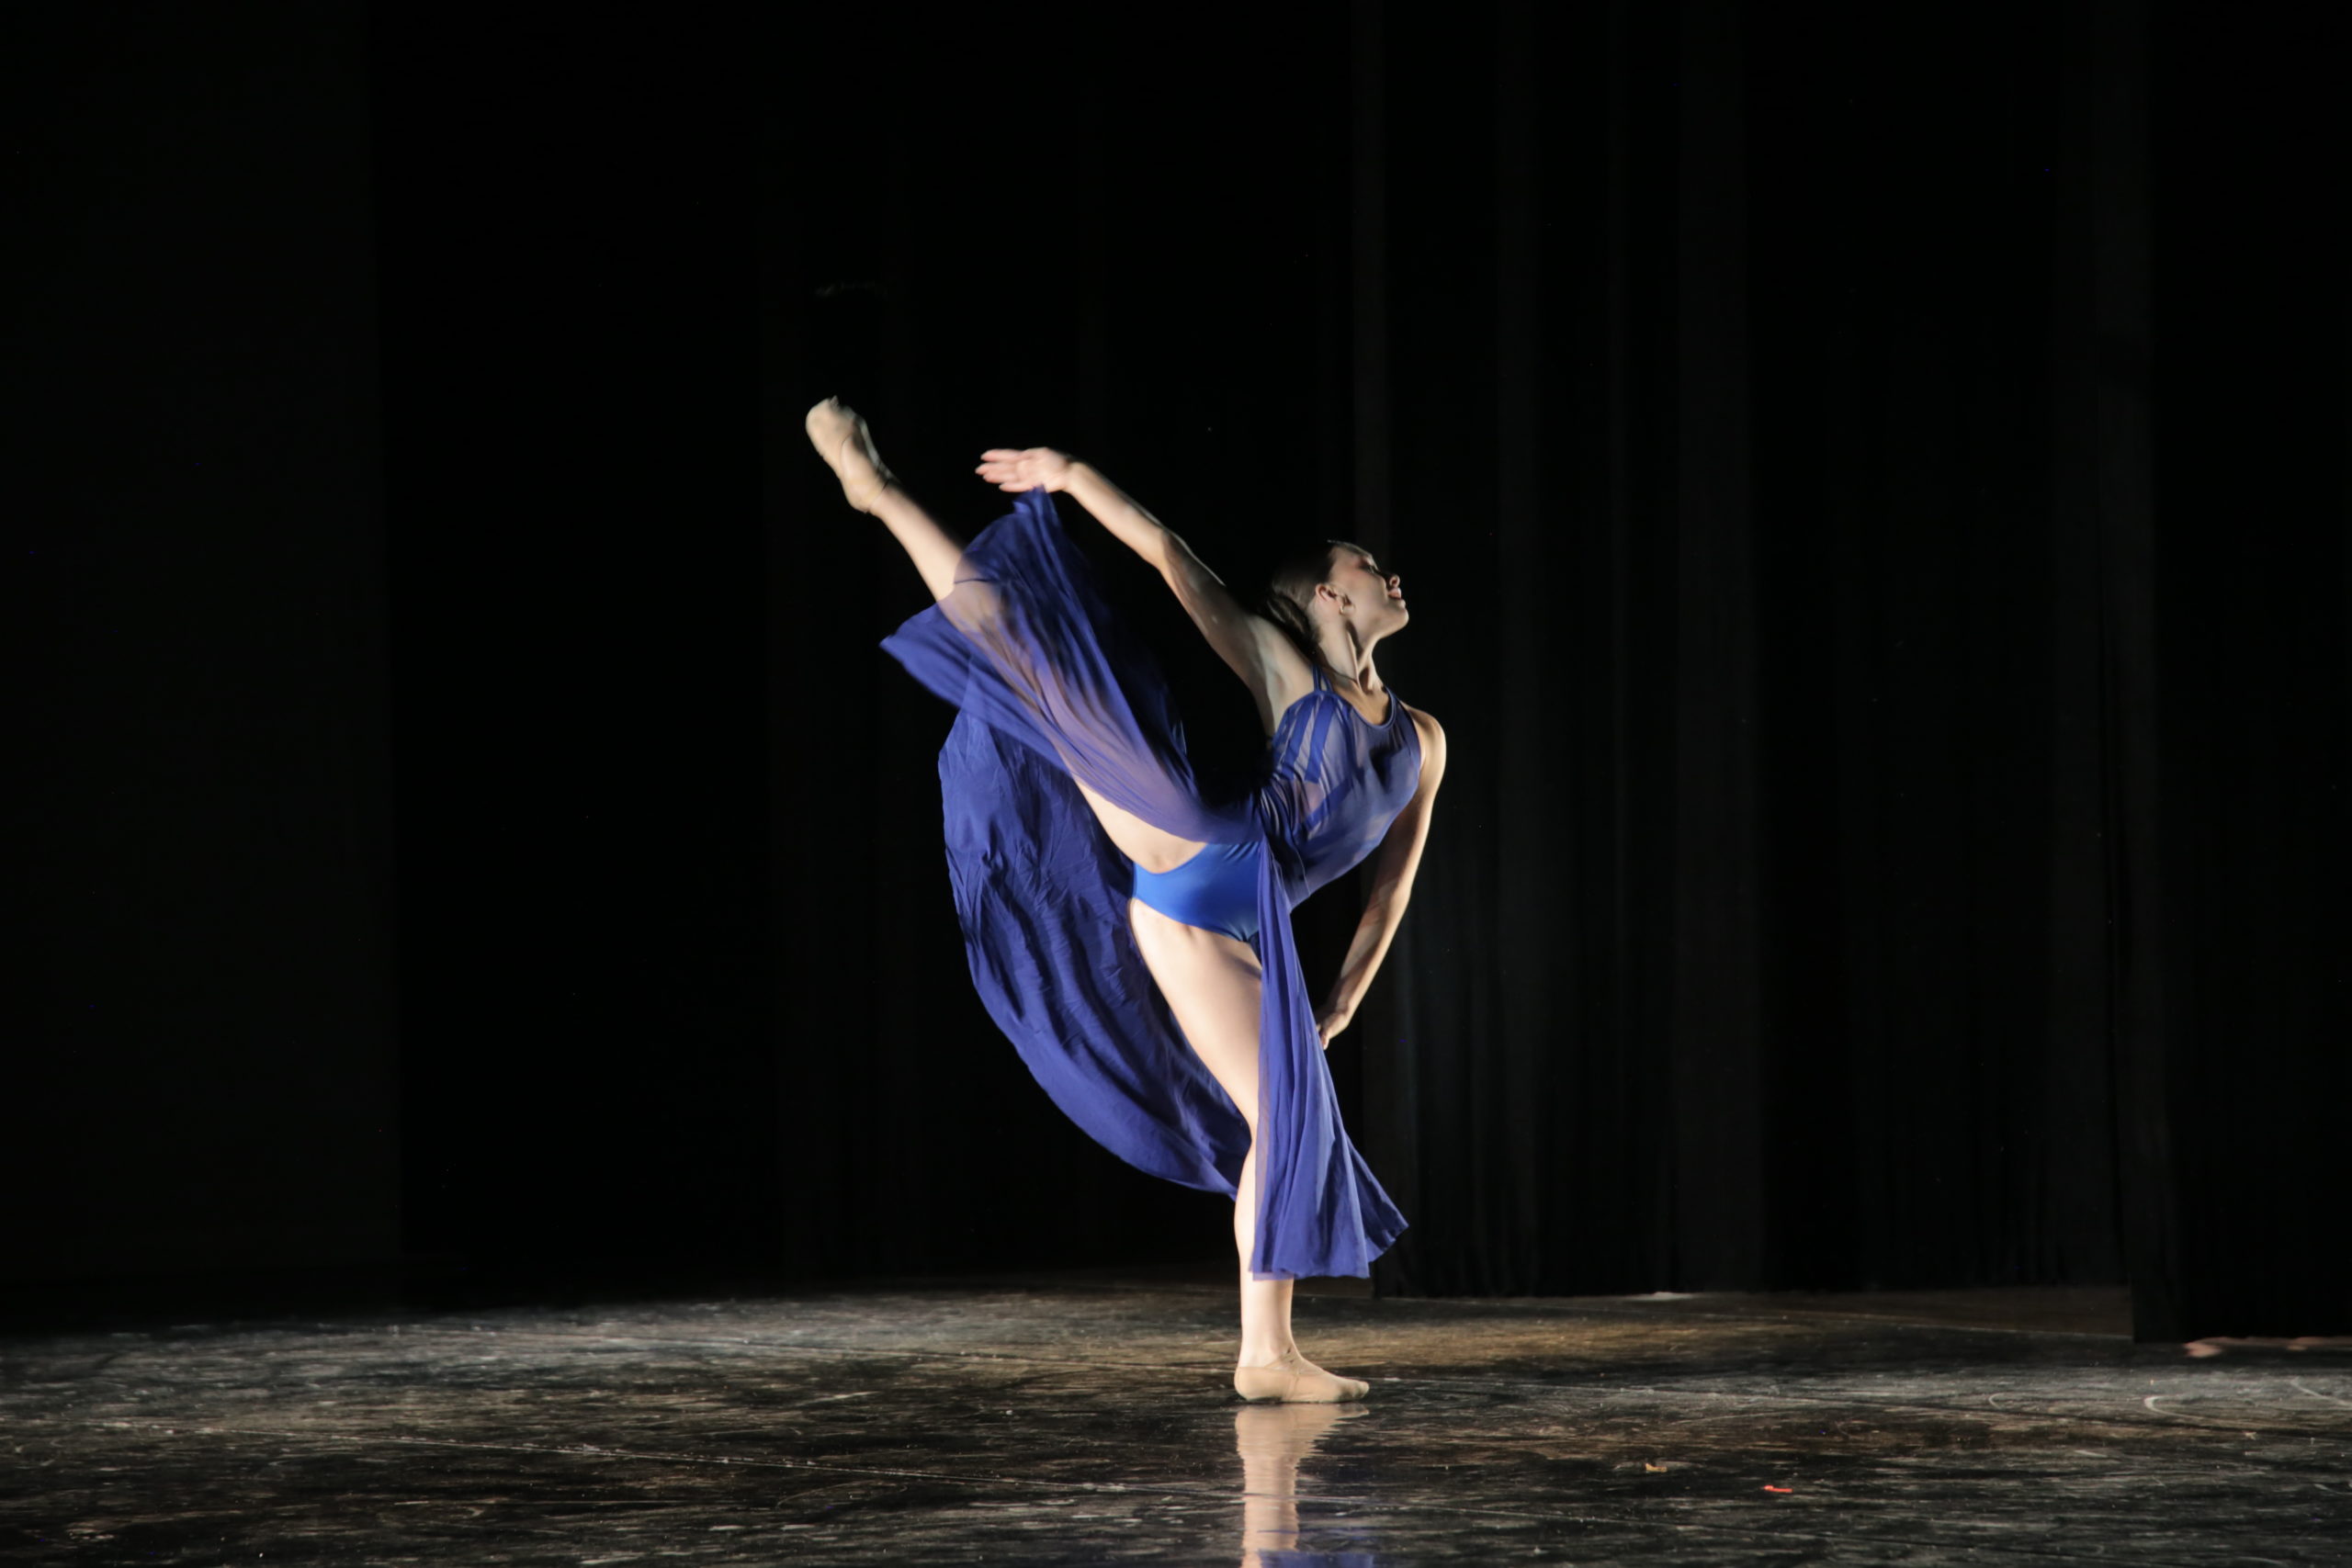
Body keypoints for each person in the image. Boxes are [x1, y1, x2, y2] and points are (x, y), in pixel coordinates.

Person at [806, 398, 1447, 1403]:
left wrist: (1344, 1000)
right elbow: (1166, 554)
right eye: (1368, 565)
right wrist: (1068, 474)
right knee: (1031, 654)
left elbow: (1391, 886)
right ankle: (878, 491)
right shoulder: (1285, 670)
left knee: (1284, 1123)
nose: (1388, 573)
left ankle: (1267, 1355)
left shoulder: (1423, 739)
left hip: (1237, 924)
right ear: (1329, 593)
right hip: (1196, 845)